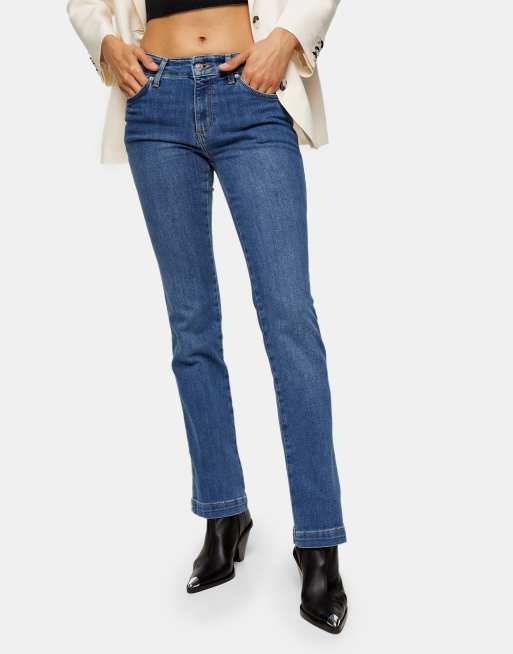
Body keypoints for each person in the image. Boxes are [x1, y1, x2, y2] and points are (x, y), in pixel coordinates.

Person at [67, 0, 347, 634]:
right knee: (191, 325)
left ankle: (319, 540)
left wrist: (287, 37)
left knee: (291, 322)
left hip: (253, 93)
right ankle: (223, 510)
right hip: (154, 100)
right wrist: (105, 43)